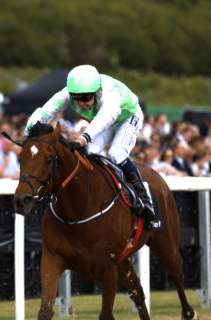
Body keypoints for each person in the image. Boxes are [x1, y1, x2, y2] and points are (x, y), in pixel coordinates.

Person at [25, 64, 155, 223]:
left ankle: (144, 197)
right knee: (90, 151)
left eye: (85, 98)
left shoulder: (110, 95)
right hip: (105, 121)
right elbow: (45, 111)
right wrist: (29, 133)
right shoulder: (66, 94)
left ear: (97, 92)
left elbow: (105, 118)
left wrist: (82, 138)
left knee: (117, 153)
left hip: (127, 117)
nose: (80, 103)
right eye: (76, 98)